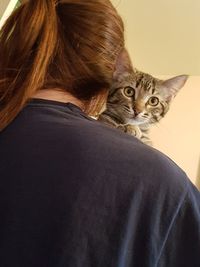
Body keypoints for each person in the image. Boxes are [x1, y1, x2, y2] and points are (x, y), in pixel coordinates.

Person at [0, 0, 199, 266]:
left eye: (150, 101)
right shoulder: (165, 181)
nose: (138, 107)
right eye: (130, 93)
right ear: (111, 73)